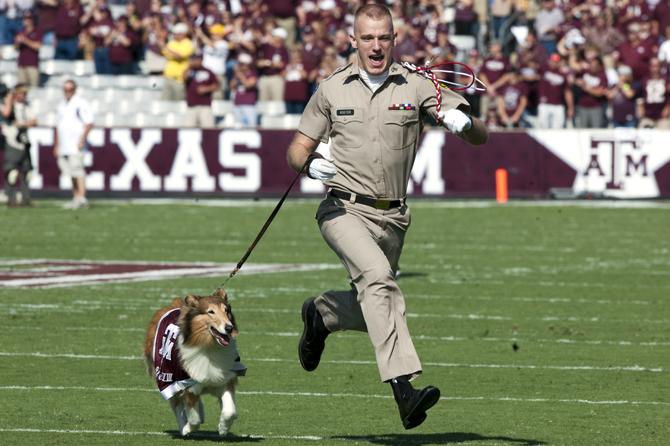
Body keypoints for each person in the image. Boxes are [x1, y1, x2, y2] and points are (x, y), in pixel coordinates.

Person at [286, 4, 488, 430]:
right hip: (341, 208)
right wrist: (308, 166)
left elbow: (480, 136)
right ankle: (404, 391)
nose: (375, 46)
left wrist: (463, 121)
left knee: (375, 302)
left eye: (383, 38)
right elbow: (297, 148)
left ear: (394, 39)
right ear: (353, 40)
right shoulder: (332, 88)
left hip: (393, 217)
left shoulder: (418, 84)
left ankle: (321, 314)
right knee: (378, 281)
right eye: (367, 37)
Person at [53, 79, 94, 209]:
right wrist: (57, 144)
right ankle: (76, 196)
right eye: (65, 90)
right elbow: (59, 126)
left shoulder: (81, 103)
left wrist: (82, 139)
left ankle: (82, 197)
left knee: (78, 170)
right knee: (70, 172)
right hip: (65, 144)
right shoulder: (61, 104)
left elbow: (89, 123)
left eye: (70, 89)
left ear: (75, 90)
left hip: (76, 144)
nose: (67, 92)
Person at [1, 83, 36, 207]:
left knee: (27, 172)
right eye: (20, 93)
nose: (22, 96)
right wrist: (9, 99)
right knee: (11, 172)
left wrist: (23, 124)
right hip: (12, 141)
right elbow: (6, 114)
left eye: (24, 93)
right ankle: (11, 198)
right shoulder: (6, 104)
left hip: (24, 141)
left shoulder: (26, 106)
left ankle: (26, 198)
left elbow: (34, 121)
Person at [184, 51, 219, 128]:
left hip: (205, 105)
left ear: (202, 60)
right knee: (188, 130)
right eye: (194, 59)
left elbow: (216, 85)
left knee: (208, 130)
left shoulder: (208, 71)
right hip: (191, 106)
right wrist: (189, 66)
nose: (196, 61)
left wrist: (206, 89)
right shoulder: (190, 71)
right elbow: (184, 78)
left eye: (198, 59)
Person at [14, 12, 42, 87]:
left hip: (32, 64)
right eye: (25, 19)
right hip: (21, 64)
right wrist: (17, 42)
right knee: (21, 88)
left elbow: (38, 46)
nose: (26, 21)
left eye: (28, 18)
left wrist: (25, 40)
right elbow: (15, 48)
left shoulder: (37, 31)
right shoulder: (20, 32)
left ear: (32, 20)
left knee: (34, 88)